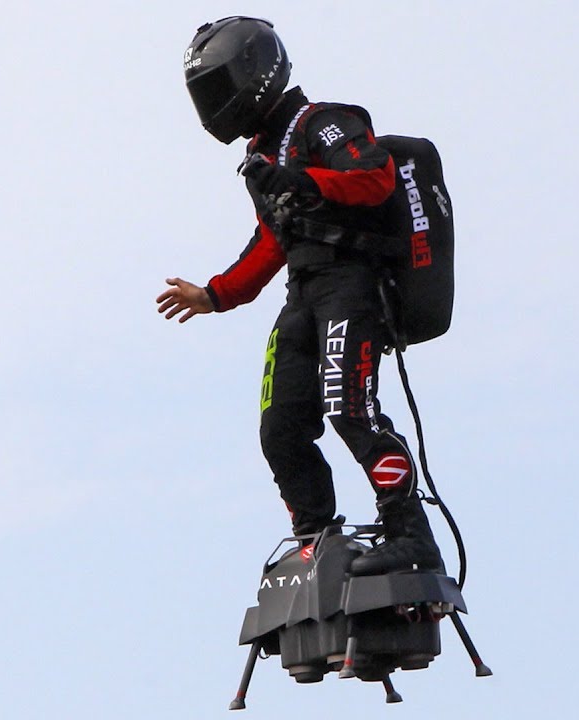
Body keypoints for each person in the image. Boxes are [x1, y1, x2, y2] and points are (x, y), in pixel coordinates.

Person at [157, 16, 443, 576]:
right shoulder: (264, 155)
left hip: (352, 287)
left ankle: (411, 536)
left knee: (350, 410)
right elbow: (273, 239)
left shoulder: (322, 123)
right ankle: (315, 541)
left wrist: (301, 181)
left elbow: (375, 177)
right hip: (304, 294)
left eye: (217, 87)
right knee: (280, 426)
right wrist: (215, 294)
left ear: (254, 73)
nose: (213, 105)